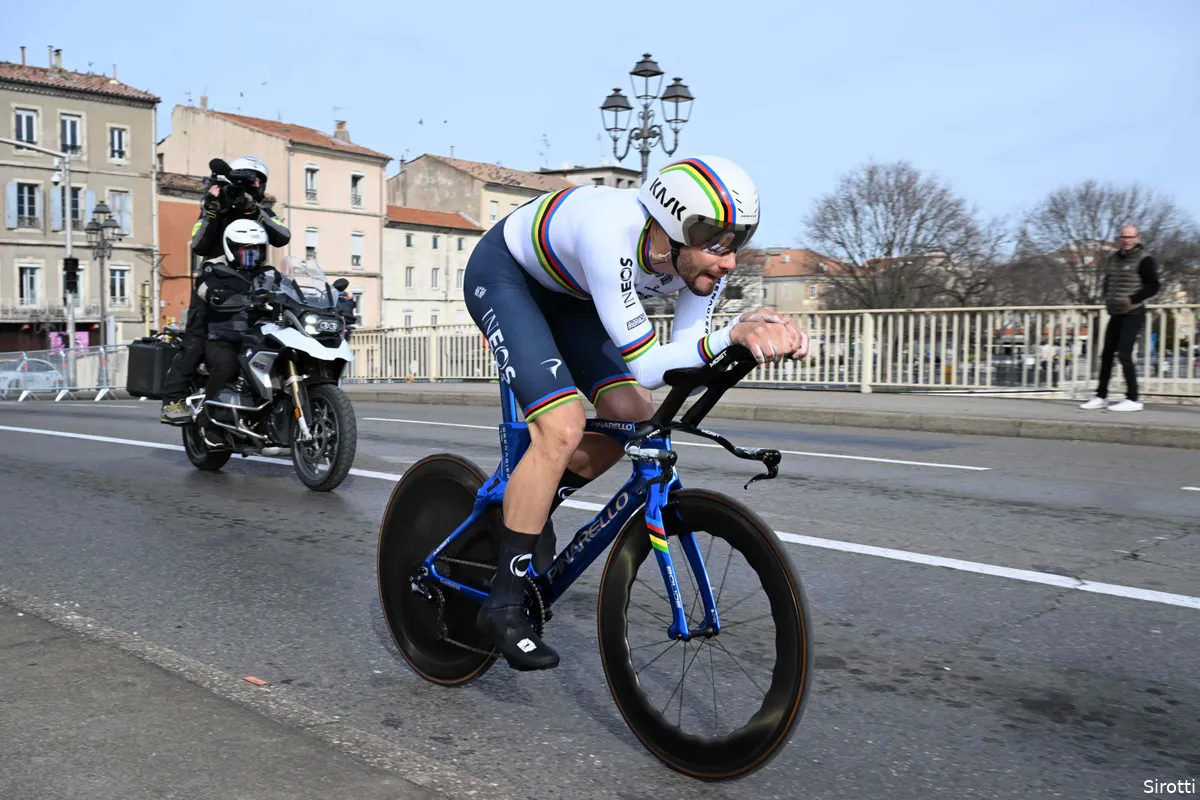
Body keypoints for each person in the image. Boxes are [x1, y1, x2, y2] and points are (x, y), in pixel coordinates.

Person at [462, 155, 808, 670]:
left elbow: (689, 354)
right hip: (507, 277)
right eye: (716, 244)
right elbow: (648, 363)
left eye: (736, 243)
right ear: (671, 229)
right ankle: (504, 599)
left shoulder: (693, 270)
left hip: (572, 295)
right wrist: (731, 336)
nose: (730, 261)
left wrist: (747, 342)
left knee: (632, 414)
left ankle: (525, 507)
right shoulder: (611, 231)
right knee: (561, 428)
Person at [161, 155, 290, 422]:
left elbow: (282, 237)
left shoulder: (262, 211)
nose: (250, 187)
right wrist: (211, 210)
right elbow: (199, 245)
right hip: (215, 284)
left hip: (254, 284)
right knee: (196, 339)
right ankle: (172, 400)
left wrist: (254, 210)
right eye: (247, 181)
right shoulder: (215, 207)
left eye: (256, 182)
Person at [193, 219, 275, 439]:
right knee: (226, 365)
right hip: (225, 338)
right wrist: (214, 294)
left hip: (261, 337)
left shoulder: (268, 273)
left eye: (256, 249)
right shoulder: (216, 269)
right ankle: (206, 422)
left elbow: (289, 289)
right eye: (246, 249)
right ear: (231, 248)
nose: (252, 253)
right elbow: (202, 287)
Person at [1080, 225, 1160, 412]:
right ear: (1119, 239)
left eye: (1131, 237)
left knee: (1124, 353)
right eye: (1124, 237)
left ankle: (1133, 398)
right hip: (1115, 312)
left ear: (1138, 239)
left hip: (1133, 312)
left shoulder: (1145, 259)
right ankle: (1101, 396)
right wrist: (1107, 297)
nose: (1127, 240)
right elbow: (1108, 281)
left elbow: (1154, 286)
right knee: (1106, 354)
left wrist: (1132, 299)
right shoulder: (1113, 259)